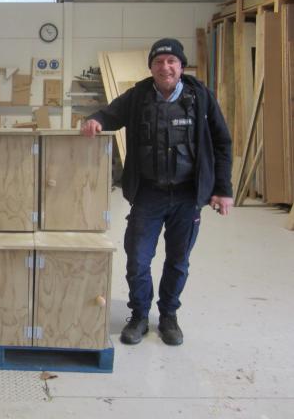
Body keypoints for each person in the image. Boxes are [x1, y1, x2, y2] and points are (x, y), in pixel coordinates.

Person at [81, 38, 233, 346]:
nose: (165, 67)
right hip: (148, 193)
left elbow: (222, 143)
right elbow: (111, 114)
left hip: (188, 196)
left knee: (178, 260)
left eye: (171, 61)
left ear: (181, 66)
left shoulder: (200, 97)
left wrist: (223, 189)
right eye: (159, 62)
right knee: (138, 258)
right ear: (151, 67)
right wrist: (95, 120)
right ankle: (139, 316)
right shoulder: (139, 95)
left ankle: (168, 317)